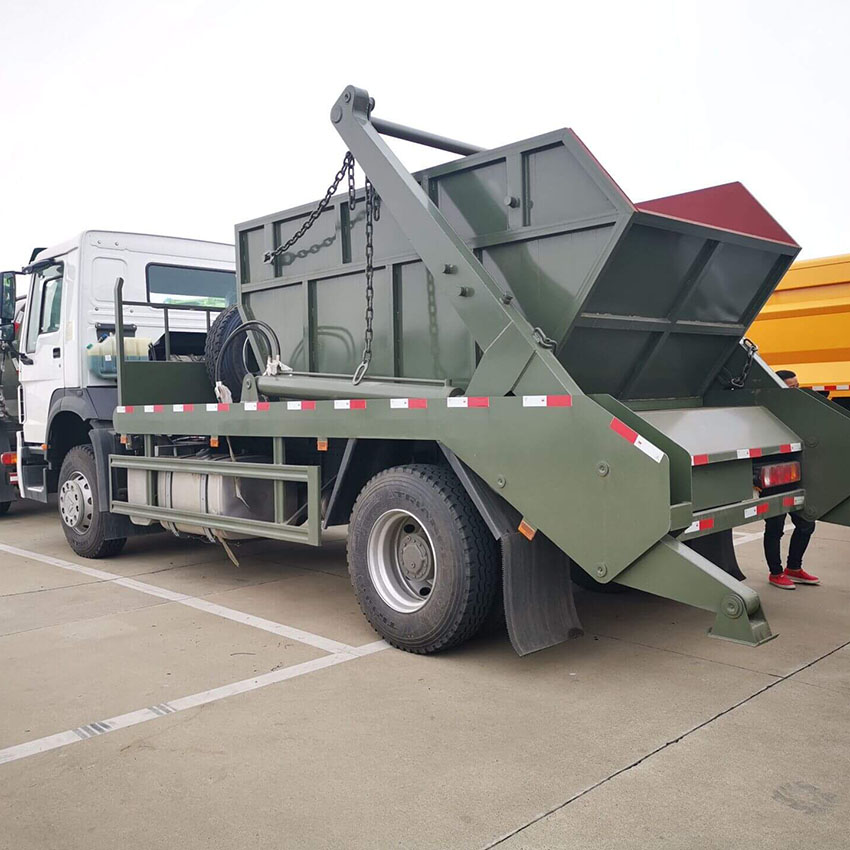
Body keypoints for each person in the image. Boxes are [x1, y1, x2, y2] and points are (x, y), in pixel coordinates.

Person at [763, 369, 820, 589]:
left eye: (797, 386)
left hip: (797, 473)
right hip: (775, 475)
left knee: (806, 524)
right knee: (775, 526)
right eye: (791, 387)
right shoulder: (769, 412)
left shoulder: (801, 409)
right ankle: (775, 572)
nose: (796, 390)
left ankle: (794, 567)